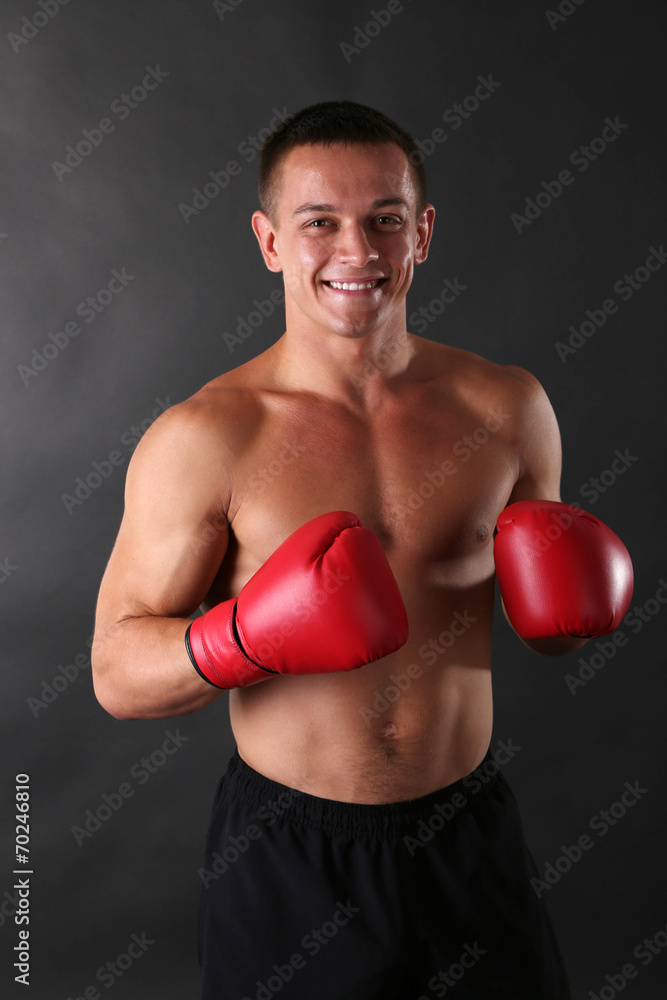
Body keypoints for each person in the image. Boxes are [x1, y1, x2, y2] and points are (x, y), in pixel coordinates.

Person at [91, 101, 633, 999]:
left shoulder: (506, 408)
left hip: (467, 837)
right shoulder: (205, 436)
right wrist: (249, 636)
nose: (358, 249)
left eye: (385, 218)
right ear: (269, 243)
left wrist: (572, 615)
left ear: (421, 233)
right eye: (319, 223)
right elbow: (116, 671)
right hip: (290, 857)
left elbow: (552, 630)